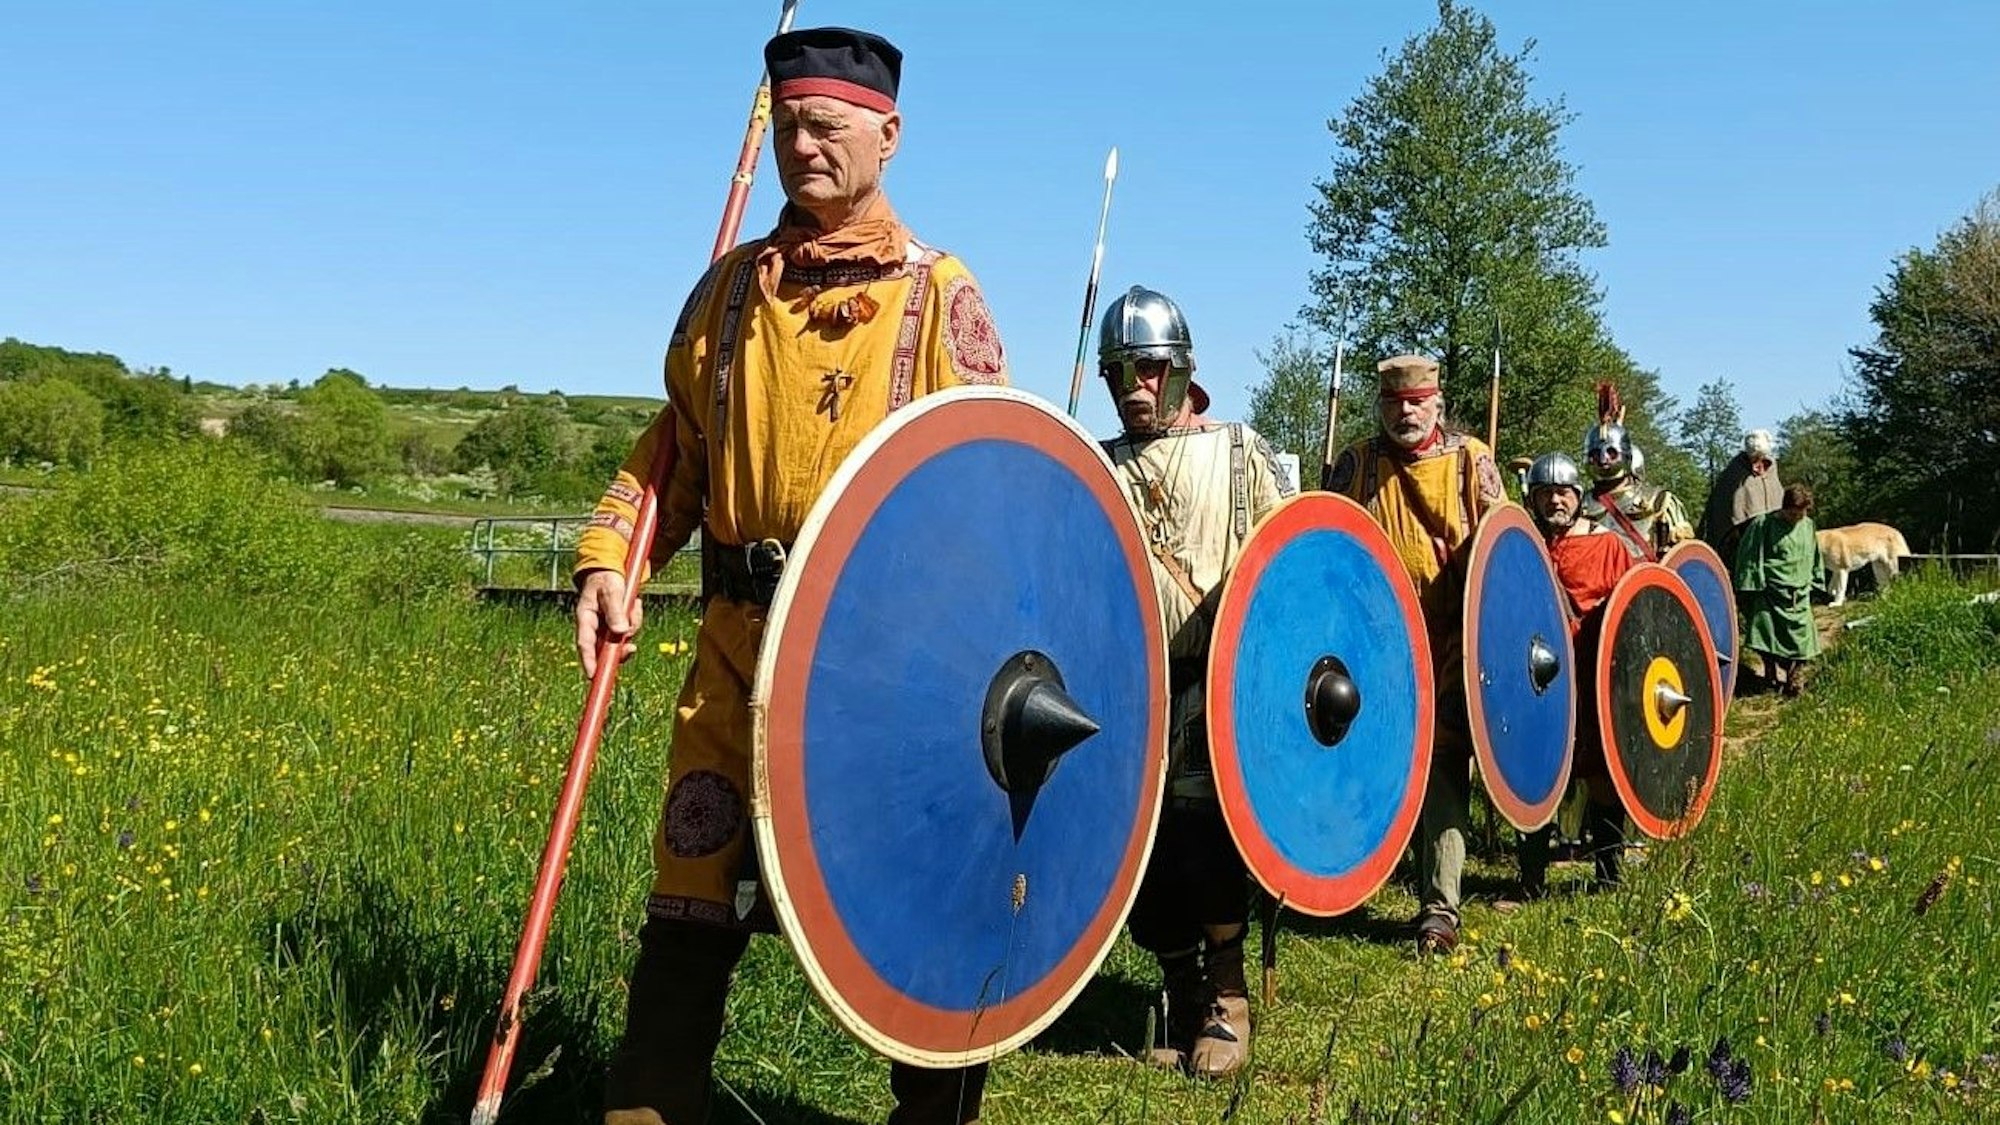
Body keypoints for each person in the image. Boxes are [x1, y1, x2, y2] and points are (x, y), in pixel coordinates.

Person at [572, 27, 1008, 1125]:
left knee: (910, 893)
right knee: (692, 875)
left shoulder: (937, 297)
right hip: (733, 637)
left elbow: (994, 484)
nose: (804, 146)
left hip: (884, 664)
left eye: (829, 126)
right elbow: (675, 450)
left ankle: (931, 1109)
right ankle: (652, 1101)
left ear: (888, 135)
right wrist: (609, 559)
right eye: (789, 126)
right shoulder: (723, 296)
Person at [1097, 286, 1289, 1077]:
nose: (1134, 385)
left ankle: (1227, 997)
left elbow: (1288, 567)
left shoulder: (1238, 453)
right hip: (1132, 692)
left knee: (1206, 842)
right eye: (1119, 372)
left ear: (1179, 371)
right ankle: (1177, 985)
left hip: (1213, 687)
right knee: (1139, 852)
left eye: (1147, 367)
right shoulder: (1097, 465)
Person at [1324, 355, 1506, 954]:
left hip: (1452, 640)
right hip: (1377, 646)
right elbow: (1327, 543)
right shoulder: (1358, 464)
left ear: (1436, 403)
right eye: (1394, 403)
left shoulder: (1469, 460)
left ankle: (1439, 907)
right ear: (1381, 405)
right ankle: (1343, 879)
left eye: (1416, 402)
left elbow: (1503, 555)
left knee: (1444, 767)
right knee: (1369, 765)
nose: (1405, 412)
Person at [1514, 452, 1636, 894]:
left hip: (1594, 678)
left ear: (1578, 497)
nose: (1554, 501)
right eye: (1544, 493)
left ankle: (1608, 875)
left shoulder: (1608, 546)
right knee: (1535, 774)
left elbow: (1636, 612)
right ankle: (1530, 880)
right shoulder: (1521, 543)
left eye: (1562, 492)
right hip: (1539, 683)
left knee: (1603, 775)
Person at [1581, 386, 1693, 561]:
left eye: (1611, 452)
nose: (1603, 460)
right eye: (1595, 454)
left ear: (1626, 454)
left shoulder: (1659, 502)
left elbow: (1682, 561)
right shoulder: (1579, 506)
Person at [1734, 484, 1824, 697]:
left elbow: (1813, 553)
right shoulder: (1763, 524)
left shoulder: (1808, 525)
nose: (1797, 518)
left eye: (1801, 514)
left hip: (1799, 592)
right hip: (1771, 593)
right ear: (1784, 508)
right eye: (1793, 513)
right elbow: (1750, 556)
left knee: (1802, 640)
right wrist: (1751, 585)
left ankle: (1795, 677)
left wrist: (1815, 580)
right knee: (1767, 636)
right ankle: (1770, 674)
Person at [1698, 429, 1784, 562]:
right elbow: (1724, 506)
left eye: (1761, 456)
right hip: (1740, 538)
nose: (1757, 461)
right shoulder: (1735, 470)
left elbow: (1777, 498)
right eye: (1754, 457)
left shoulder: (1772, 470)